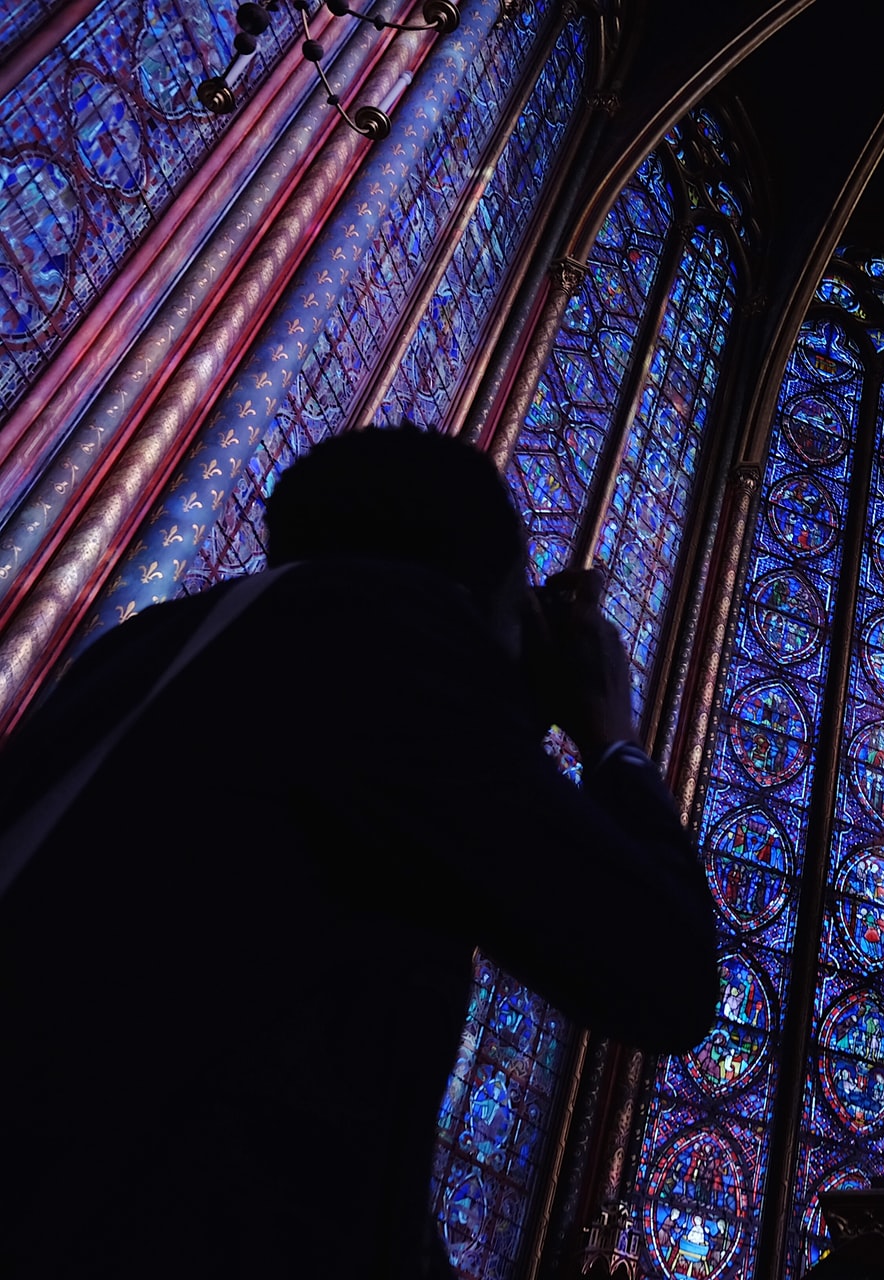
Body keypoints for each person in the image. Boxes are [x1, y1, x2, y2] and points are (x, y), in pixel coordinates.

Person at [0, 428, 718, 1278]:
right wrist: (611, 737)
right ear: (476, 593)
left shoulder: (155, 645)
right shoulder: (391, 638)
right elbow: (665, 972)